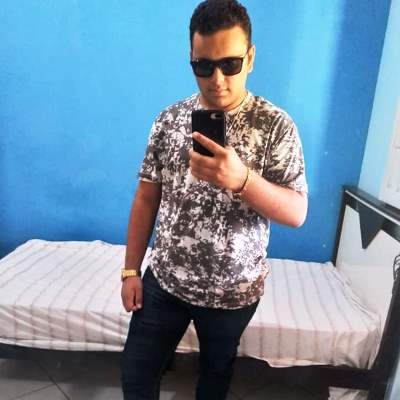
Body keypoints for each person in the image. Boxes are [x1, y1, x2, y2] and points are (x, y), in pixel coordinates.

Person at [120, 0, 308, 399]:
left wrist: (242, 180)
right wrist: (130, 270)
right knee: (136, 377)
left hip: (233, 293)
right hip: (165, 282)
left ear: (250, 58)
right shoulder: (168, 120)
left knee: (214, 379)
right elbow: (146, 198)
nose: (217, 79)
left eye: (230, 64)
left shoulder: (276, 127)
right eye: (203, 66)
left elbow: (297, 212)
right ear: (190, 59)